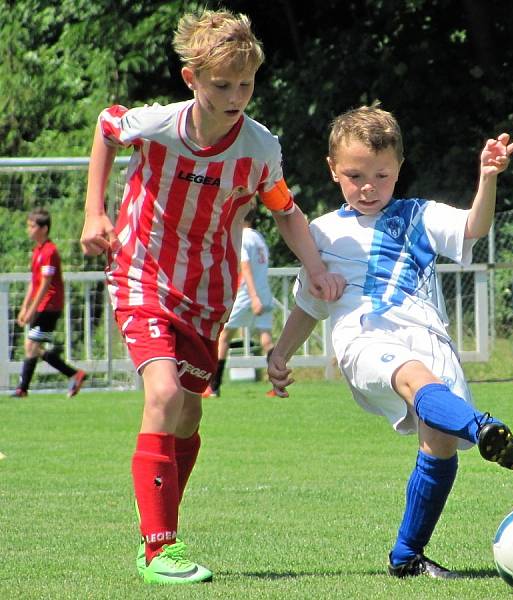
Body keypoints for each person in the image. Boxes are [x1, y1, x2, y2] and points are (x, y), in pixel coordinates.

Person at [80, 9, 344, 585]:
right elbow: (105, 126)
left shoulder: (258, 147)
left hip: (208, 292)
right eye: (222, 84)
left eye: (245, 84)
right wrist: (95, 210)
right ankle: (158, 550)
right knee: (165, 393)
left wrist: (317, 268)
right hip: (141, 275)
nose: (235, 96)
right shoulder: (154, 124)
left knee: (190, 410)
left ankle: (165, 537)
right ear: (191, 79)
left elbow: (284, 211)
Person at [268, 105, 513, 579]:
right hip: (364, 337)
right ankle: (484, 428)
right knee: (415, 379)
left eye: (381, 176)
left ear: (399, 169)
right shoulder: (321, 233)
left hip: (429, 339)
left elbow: (474, 227)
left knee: (439, 444)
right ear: (333, 170)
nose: (369, 187)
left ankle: (407, 554)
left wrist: (488, 177)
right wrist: (280, 353)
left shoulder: (419, 216)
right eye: (355, 175)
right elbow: (309, 303)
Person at [204, 207, 279, 398]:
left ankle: (214, 386)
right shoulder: (259, 238)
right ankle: (279, 386)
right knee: (266, 338)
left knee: (224, 336)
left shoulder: (243, 237)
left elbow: (245, 266)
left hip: (248, 293)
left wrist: (252, 297)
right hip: (264, 292)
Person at [11, 208, 86, 399]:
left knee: (31, 345)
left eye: (32, 226)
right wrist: (24, 307)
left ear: (44, 229)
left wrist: (32, 309)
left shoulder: (50, 251)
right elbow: (33, 282)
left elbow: (45, 285)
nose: (29, 229)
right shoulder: (37, 251)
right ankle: (73, 374)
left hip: (50, 305)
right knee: (33, 346)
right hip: (42, 305)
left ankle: (23, 389)